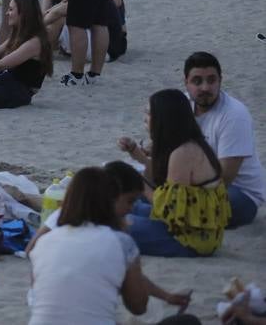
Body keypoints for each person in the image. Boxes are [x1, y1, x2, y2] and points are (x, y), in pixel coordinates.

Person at [27, 166, 195, 325]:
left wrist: (165, 296)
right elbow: (138, 306)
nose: (130, 209)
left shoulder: (44, 243)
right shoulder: (120, 242)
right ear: (111, 201)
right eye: (129, 202)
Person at [121, 89, 229, 257]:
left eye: (149, 113)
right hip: (196, 229)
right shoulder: (190, 143)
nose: (145, 118)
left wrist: (138, 181)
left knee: (115, 224)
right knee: (123, 206)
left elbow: (167, 208)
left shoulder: (183, 153)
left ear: (163, 119)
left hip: (189, 238)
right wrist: (137, 154)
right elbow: (163, 183)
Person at [173, 52, 263, 228]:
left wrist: (178, 192)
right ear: (186, 82)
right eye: (197, 81)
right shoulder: (182, 105)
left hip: (239, 192)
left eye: (211, 80)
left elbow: (225, 177)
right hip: (195, 179)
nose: (205, 88)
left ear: (220, 81)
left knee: (178, 209)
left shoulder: (234, 115)